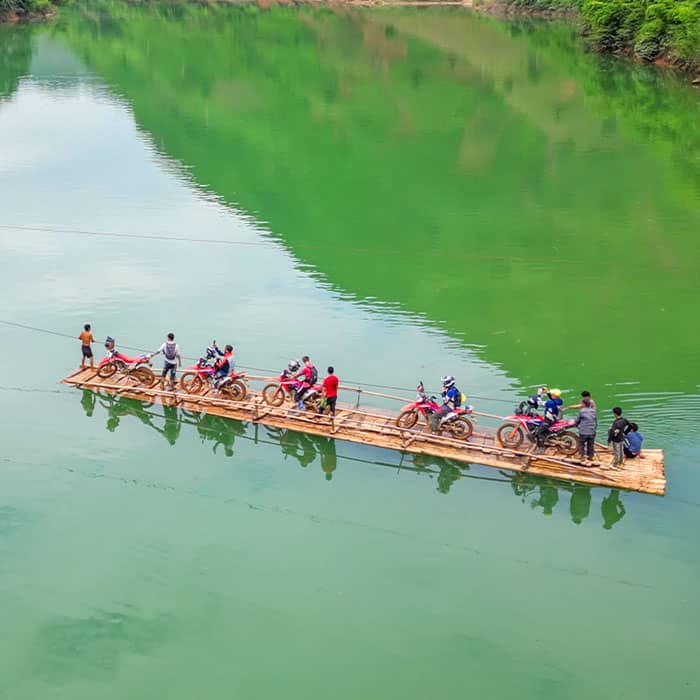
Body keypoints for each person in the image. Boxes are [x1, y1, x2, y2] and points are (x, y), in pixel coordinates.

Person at [574, 397, 597, 463]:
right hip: (592, 431)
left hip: (583, 431)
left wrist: (576, 425)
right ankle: (590, 457)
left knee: (581, 444)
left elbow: (577, 421)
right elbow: (595, 421)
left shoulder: (582, 411)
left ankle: (582, 457)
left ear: (584, 404)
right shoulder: (593, 411)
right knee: (591, 444)